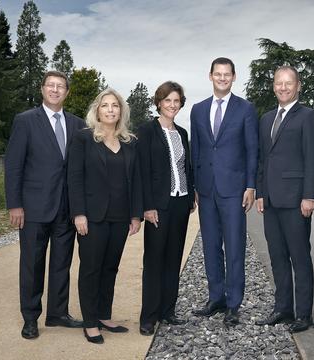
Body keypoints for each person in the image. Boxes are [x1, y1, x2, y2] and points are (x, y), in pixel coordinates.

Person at [4, 70, 85, 339]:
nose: (55, 90)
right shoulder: (25, 121)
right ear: (42, 89)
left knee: (62, 264)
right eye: (50, 85)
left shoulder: (77, 124)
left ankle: (58, 314)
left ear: (67, 92)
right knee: (32, 264)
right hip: (34, 208)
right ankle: (30, 318)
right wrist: (15, 205)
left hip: (66, 209)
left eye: (60, 86)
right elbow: (13, 165)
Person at [67, 88, 143, 344]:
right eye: (105, 105)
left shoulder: (130, 141)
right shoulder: (84, 139)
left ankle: (103, 315)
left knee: (110, 267)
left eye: (115, 105)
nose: (110, 109)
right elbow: (74, 178)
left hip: (120, 217)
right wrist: (78, 213)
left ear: (121, 111)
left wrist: (135, 215)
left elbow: (136, 181)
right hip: (92, 217)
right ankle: (89, 322)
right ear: (97, 111)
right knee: (91, 269)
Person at [190, 57, 258, 326]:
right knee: (210, 247)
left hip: (234, 189)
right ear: (210, 76)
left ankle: (233, 303)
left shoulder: (245, 109)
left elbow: (252, 150)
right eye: (217, 74)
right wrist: (195, 185)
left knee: (234, 247)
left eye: (226, 74)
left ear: (233, 77)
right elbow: (196, 150)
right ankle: (215, 298)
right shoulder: (197, 109)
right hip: (206, 189)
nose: (222, 78)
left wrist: (251, 185)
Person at [255, 66, 314, 333]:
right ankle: (283, 308)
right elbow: (263, 159)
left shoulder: (308, 116)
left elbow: (313, 157)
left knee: (300, 258)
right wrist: (261, 193)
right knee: (277, 257)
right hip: (271, 201)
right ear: (274, 86)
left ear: (298, 85)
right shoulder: (266, 118)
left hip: (296, 201)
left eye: (288, 83)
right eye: (279, 83)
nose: (283, 88)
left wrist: (309, 196)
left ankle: (303, 314)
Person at [138, 81, 195, 336]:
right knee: (154, 260)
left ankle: (167, 311)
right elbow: (142, 171)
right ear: (159, 102)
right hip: (158, 207)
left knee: (174, 258)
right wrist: (147, 207)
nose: (172, 105)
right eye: (167, 100)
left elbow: (187, 166)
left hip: (181, 203)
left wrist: (191, 193)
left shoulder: (182, 133)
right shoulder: (147, 131)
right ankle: (148, 316)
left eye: (176, 101)